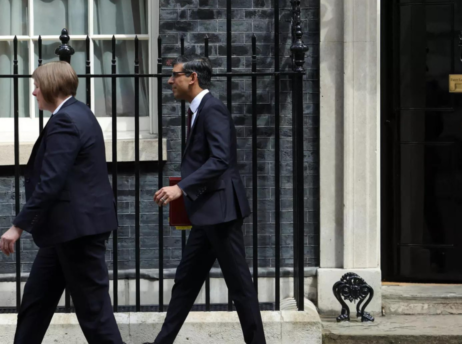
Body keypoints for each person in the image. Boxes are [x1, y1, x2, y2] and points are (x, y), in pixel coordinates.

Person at [0, 61, 124, 344]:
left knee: (95, 314)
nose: (34, 92)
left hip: (76, 232)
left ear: (50, 87)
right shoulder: (77, 112)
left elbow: (50, 182)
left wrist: (18, 226)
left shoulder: (67, 120)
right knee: (36, 302)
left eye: (37, 86)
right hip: (65, 230)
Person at [147, 56, 266, 344]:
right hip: (207, 213)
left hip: (221, 213)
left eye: (175, 75)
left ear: (192, 77)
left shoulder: (212, 110)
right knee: (186, 281)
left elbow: (220, 160)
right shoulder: (198, 110)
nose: (169, 81)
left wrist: (181, 188)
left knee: (239, 286)